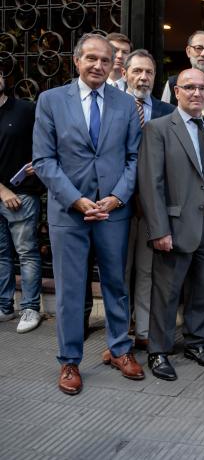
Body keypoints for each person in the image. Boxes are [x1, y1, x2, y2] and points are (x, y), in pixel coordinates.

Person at [33, 33, 144, 395]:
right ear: (76, 61)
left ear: (115, 65)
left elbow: (134, 158)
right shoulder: (51, 101)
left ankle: (119, 350)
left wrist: (116, 197)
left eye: (106, 60)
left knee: (115, 283)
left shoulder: (126, 104)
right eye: (91, 59)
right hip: (70, 213)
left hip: (113, 212)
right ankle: (69, 361)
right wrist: (76, 200)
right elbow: (44, 161)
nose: (98, 65)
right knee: (69, 289)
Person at [137, 68, 204, 381]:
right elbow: (152, 184)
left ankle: (196, 341)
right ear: (176, 91)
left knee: (203, 289)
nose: (196, 93)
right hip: (174, 226)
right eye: (189, 87)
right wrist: (159, 229)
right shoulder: (159, 128)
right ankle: (159, 351)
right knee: (167, 291)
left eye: (202, 88)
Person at [122, 49, 176, 350]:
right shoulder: (115, 105)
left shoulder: (167, 111)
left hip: (152, 204)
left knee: (145, 270)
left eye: (149, 72)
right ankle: (119, 334)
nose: (143, 77)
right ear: (126, 73)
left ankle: (143, 331)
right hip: (117, 203)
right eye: (137, 71)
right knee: (119, 270)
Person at [0, 73, 44, 334]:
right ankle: (5, 306)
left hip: (23, 197)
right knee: (1, 255)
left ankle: (30, 307)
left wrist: (39, 163)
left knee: (26, 253)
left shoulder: (26, 110)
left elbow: (48, 140)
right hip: (5, 194)